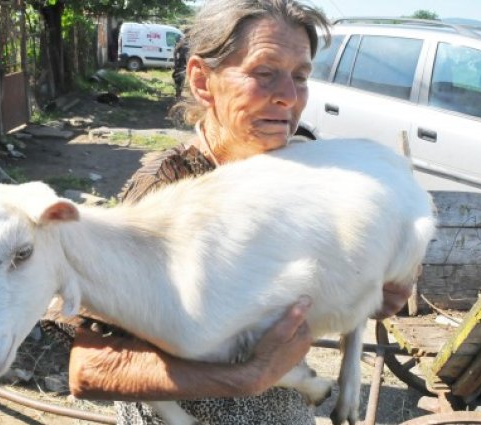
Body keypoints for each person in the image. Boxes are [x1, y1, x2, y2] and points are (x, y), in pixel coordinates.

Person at [68, 1, 414, 423]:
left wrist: (373, 288)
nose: (288, 97)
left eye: (300, 77)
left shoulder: (308, 175)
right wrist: (246, 376)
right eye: (264, 73)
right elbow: (88, 367)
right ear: (202, 81)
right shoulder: (162, 191)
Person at [172, 32, 189, 98]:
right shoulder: (181, 48)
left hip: (180, 67)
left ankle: (178, 93)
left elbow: (176, 57)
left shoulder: (180, 48)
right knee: (179, 81)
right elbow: (176, 57)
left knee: (179, 81)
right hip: (180, 67)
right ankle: (178, 93)